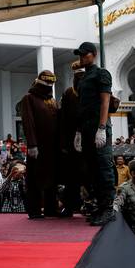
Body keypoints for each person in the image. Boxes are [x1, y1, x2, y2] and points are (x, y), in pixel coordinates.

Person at [73, 42, 116, 227]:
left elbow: (105, 102)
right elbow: (81, 106)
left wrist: (102, 127)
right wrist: (78, 131)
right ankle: (99, 206)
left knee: (103, 167)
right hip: (86, 127)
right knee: (91, 169)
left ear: (94, 55)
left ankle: (108, 209)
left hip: (98, 126)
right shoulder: (83, 78)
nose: (82, 58)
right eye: (80, 55)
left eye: (85, 54)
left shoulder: (101, 74)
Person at [20, 70, 59, 219]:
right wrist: (32, 144)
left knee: (52, 178)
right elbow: (28, 123)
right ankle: (34, 210)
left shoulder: (52, 100)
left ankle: (51, 208)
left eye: (51, 84)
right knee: (35, 178)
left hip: (52, 147)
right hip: (37, 146)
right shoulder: (29, 98)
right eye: (47, 84)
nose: (49, 86)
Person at [58, 60, 86, 217]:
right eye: (78, 77)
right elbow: (63, 118)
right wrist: (64, 142)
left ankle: (89, 206)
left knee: (89, 175)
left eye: (83, 76)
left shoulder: (93, 91)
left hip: (89, 139)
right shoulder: (69, 93)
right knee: (71, 177)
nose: (80, 80)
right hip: (71, 141)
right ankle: (69, 206)